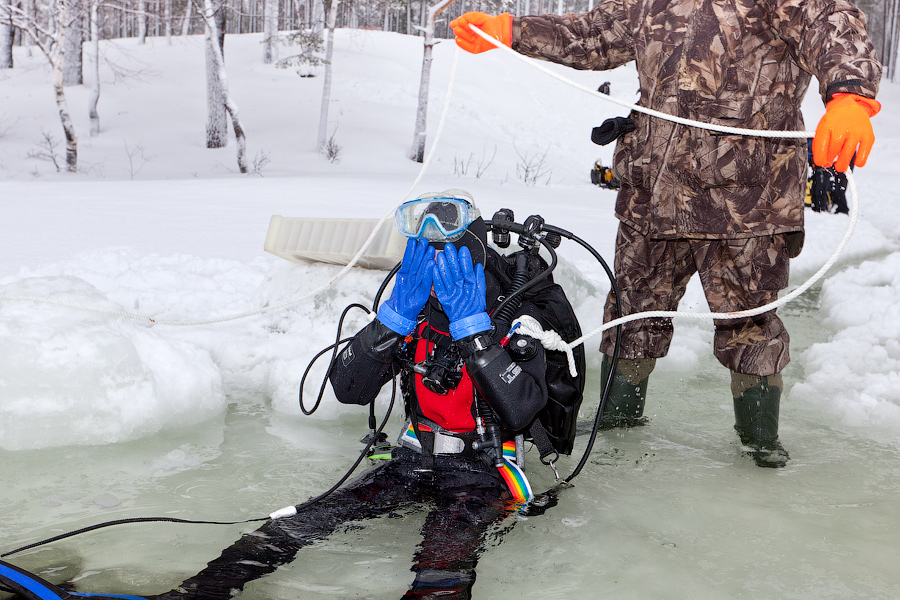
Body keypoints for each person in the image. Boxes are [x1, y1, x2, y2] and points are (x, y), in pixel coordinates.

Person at [450, 0, 881, 468]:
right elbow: (591, 35)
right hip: (651, 198)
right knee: (629, 319)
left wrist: (850, 95)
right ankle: (616, 430)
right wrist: (512, 29)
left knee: (751, 329)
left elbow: (832, 25)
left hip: (747, 205)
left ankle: (760, 450)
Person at [148, 190, 580, 600]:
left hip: (480, 470)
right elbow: (347, 389)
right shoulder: (411, 315)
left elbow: (523, 410)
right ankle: (198, 592)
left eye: (445, 262)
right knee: (291, 526)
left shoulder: (513, 319)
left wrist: (474, 332)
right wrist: (391, 322)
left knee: (440, 567)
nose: (434, 277)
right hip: (412, 459)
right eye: (424, 262)